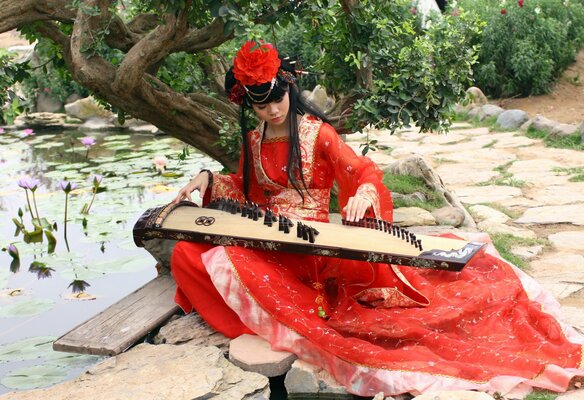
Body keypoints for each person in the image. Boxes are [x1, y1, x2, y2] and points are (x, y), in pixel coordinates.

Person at [170, 40, 584, 398]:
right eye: (261, 104)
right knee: (187, 253)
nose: (273, 110)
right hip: (271, 236)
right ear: (249, 104)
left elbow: (362, 171)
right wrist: (206, 179)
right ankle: (263, 314)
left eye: (277, 99)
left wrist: (363, 196)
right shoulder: (254, 140)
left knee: (225, 261)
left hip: (315, 244)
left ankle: (273, 316)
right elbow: (243, 190)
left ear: (290, 89)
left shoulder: (317, 134)